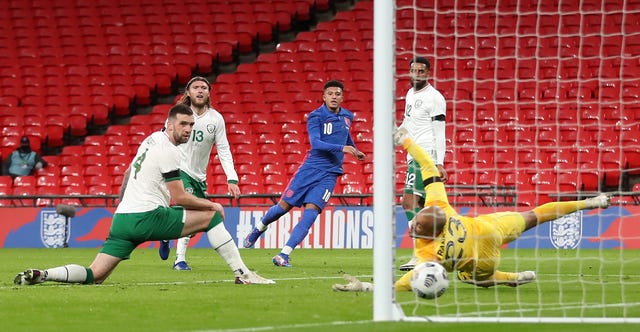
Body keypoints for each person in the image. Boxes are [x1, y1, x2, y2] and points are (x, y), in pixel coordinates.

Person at [14, 104, 274, 286]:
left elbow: (128, 173)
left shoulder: (150, 139)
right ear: (169, 125)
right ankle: (243, 274)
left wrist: (121, 204)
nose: (188, 129)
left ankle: (45, 274)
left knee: (96, 274)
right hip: (147, 216)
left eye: (191, 125)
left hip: (123, 220)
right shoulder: (171, 150)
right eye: (183, 124)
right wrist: (212, 204)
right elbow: (180, 197)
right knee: (210, 218)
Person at [332, 128, 610, 291]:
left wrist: (366, 287)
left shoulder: (431, 254)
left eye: (417, 226)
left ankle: (511, 278)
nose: (413, 225)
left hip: (483, 257)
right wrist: (405, 141)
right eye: (416, 222)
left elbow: (404, 283)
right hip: (487, 227)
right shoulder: (439, 206)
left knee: (474, 277)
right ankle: (590, 202)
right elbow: (429, 167)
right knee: (534, 216)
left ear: (431, 233)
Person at [243, 80, 366, 267]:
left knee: (312, 212)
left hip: (330, 174)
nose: (334, 96)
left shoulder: (348, 116)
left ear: (342, 97)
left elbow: (346, 137)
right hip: (310, 169)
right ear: (324, 97)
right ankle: (259, 228)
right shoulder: (316, 116)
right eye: (330, 93)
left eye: (338, 94)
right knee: (282, 208)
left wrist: (355, 150)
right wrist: (344, 148)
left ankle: (284, 254)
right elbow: (316, 143)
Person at [158, 76, 241, 271]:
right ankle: (179, 260)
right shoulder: (178, 115)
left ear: (209, 92)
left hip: (198, 176)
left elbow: (223, 149)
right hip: (178, 169)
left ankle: (165, 232)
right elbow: (164, 139)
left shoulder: (215, 119)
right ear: (188, 92)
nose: (200, 90)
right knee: (191, 211)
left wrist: (232, 178)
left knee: (190, 218)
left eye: (204, 87)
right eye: (195, 87)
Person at [397, 56, 448, 272]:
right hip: (413, 154)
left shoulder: (435, 98)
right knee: (427, 209)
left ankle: (420, 254)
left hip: (424, 156)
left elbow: (439, 131)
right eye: (413, 70)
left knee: (409, 203)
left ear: (428, 73)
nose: (416, 74)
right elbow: (408, 123)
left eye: (420, 71)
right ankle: (435, 251)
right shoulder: (410, 94)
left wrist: (439, 162)